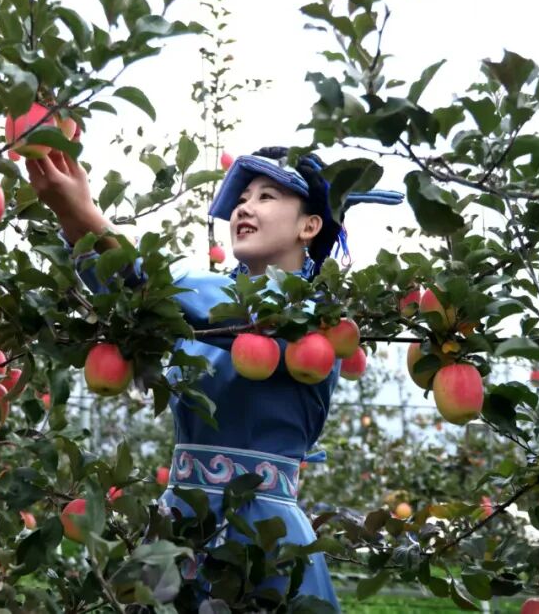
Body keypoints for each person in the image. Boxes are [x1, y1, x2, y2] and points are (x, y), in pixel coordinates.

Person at [26, 145, 403, 609]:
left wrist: (87, 215)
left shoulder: (314, 320)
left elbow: (162, 286)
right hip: (176, 524)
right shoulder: (209, 308)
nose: (244, 206)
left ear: (309, 226)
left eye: (266, 196)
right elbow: (132, 294)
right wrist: (73, 220)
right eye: (242, 197)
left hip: (264, 532)